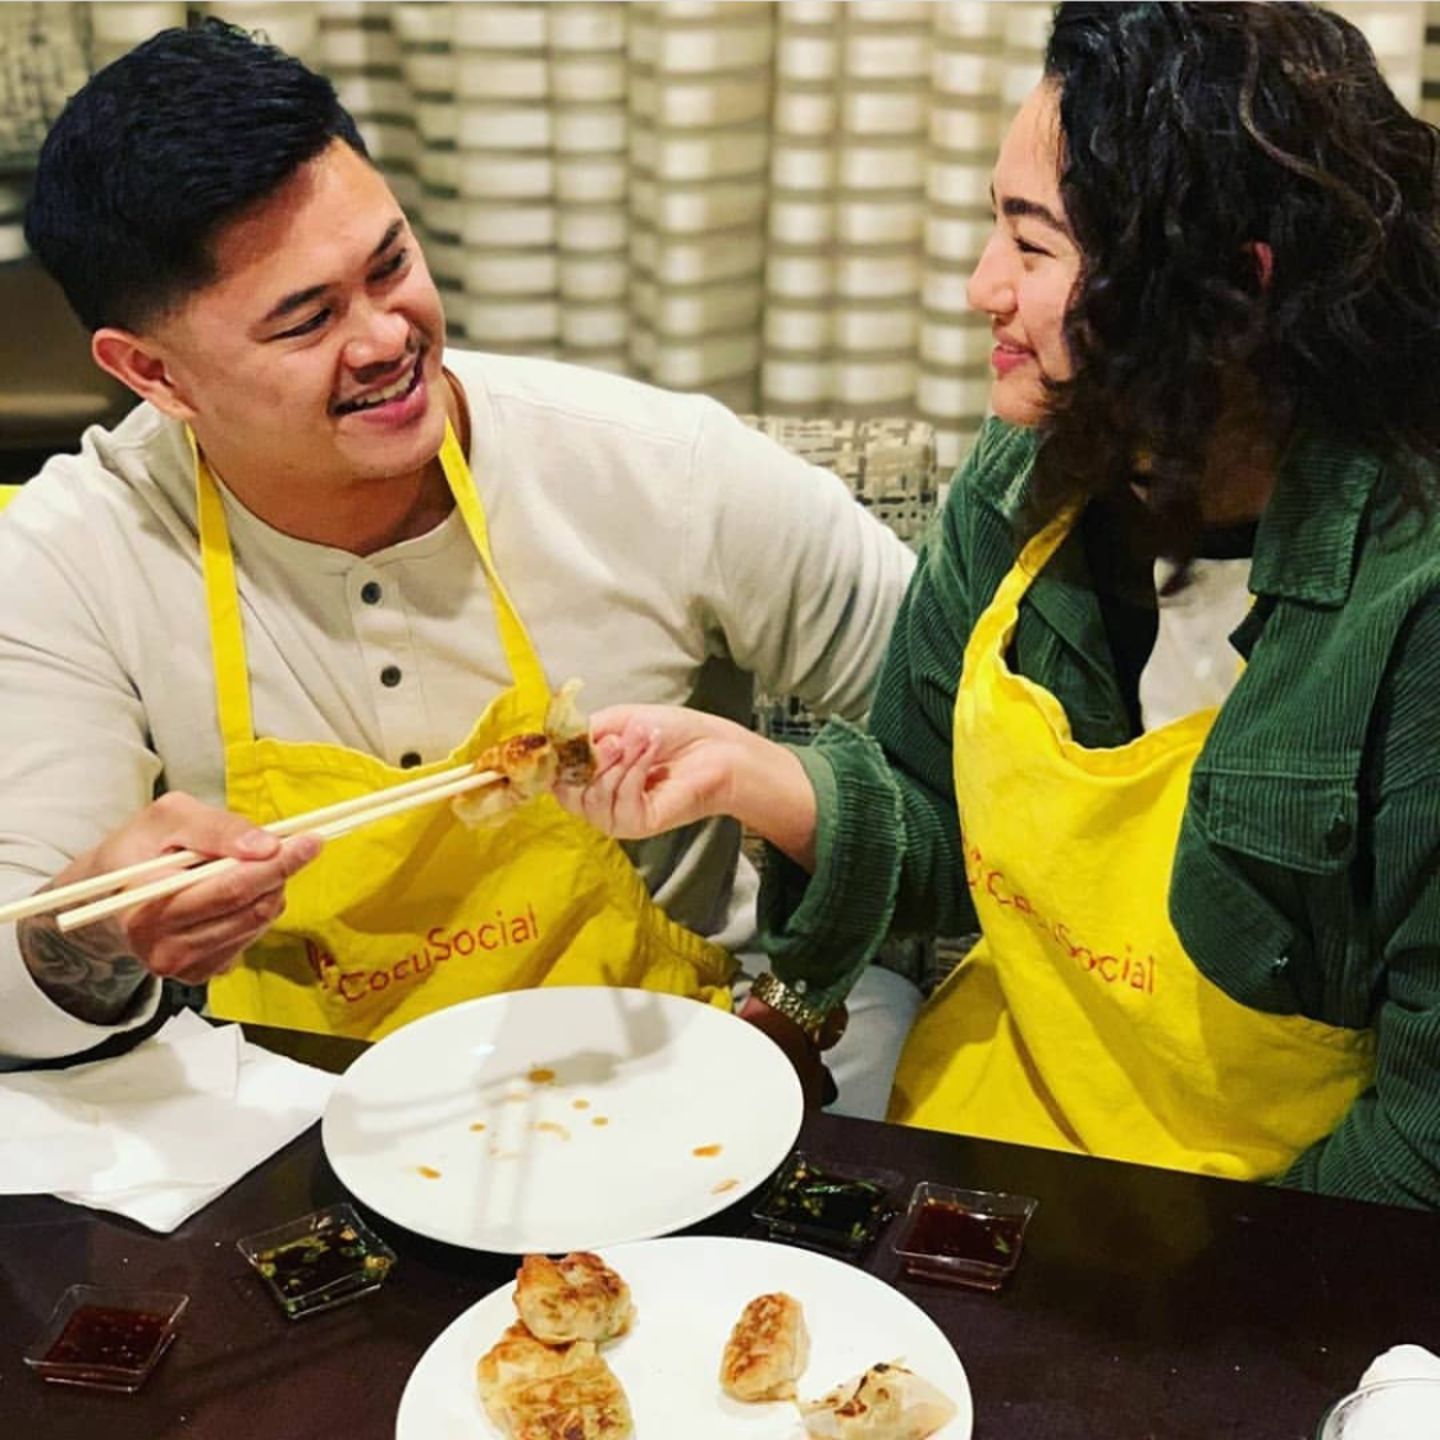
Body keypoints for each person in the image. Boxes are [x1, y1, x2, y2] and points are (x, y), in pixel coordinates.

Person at [566, 1, 1440, 1208]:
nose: (984, 288)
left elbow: (1427, 1124)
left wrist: (1204, 1332)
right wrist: (753, 778)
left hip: (1279, 1225)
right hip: (999, 1142)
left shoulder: (1412, 606)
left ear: (1234, 295)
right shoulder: (1028, 475)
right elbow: (947, 834)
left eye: (1033, 249)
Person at [0, 19, 916, 1080]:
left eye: (392, 265)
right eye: (305, 321)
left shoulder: (660, 466)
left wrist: (777, 790)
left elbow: (970, 743)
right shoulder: (71, 554)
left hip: (679, 1076)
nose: (388, 338)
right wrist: (102, 936)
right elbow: (18, 975)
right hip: (300, 1122)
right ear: (152, 374)